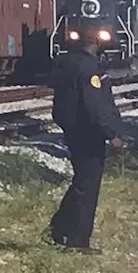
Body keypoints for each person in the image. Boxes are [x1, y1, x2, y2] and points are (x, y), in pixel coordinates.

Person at [47, 30, 124, 254]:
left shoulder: (66, 63)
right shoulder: (90, 69)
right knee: (88, 185)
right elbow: (95, 106)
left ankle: (59, 228)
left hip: (72, 129)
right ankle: (78, 240)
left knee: (81, 181)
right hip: (88, 132)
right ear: (95, 43)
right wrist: (112, 134)